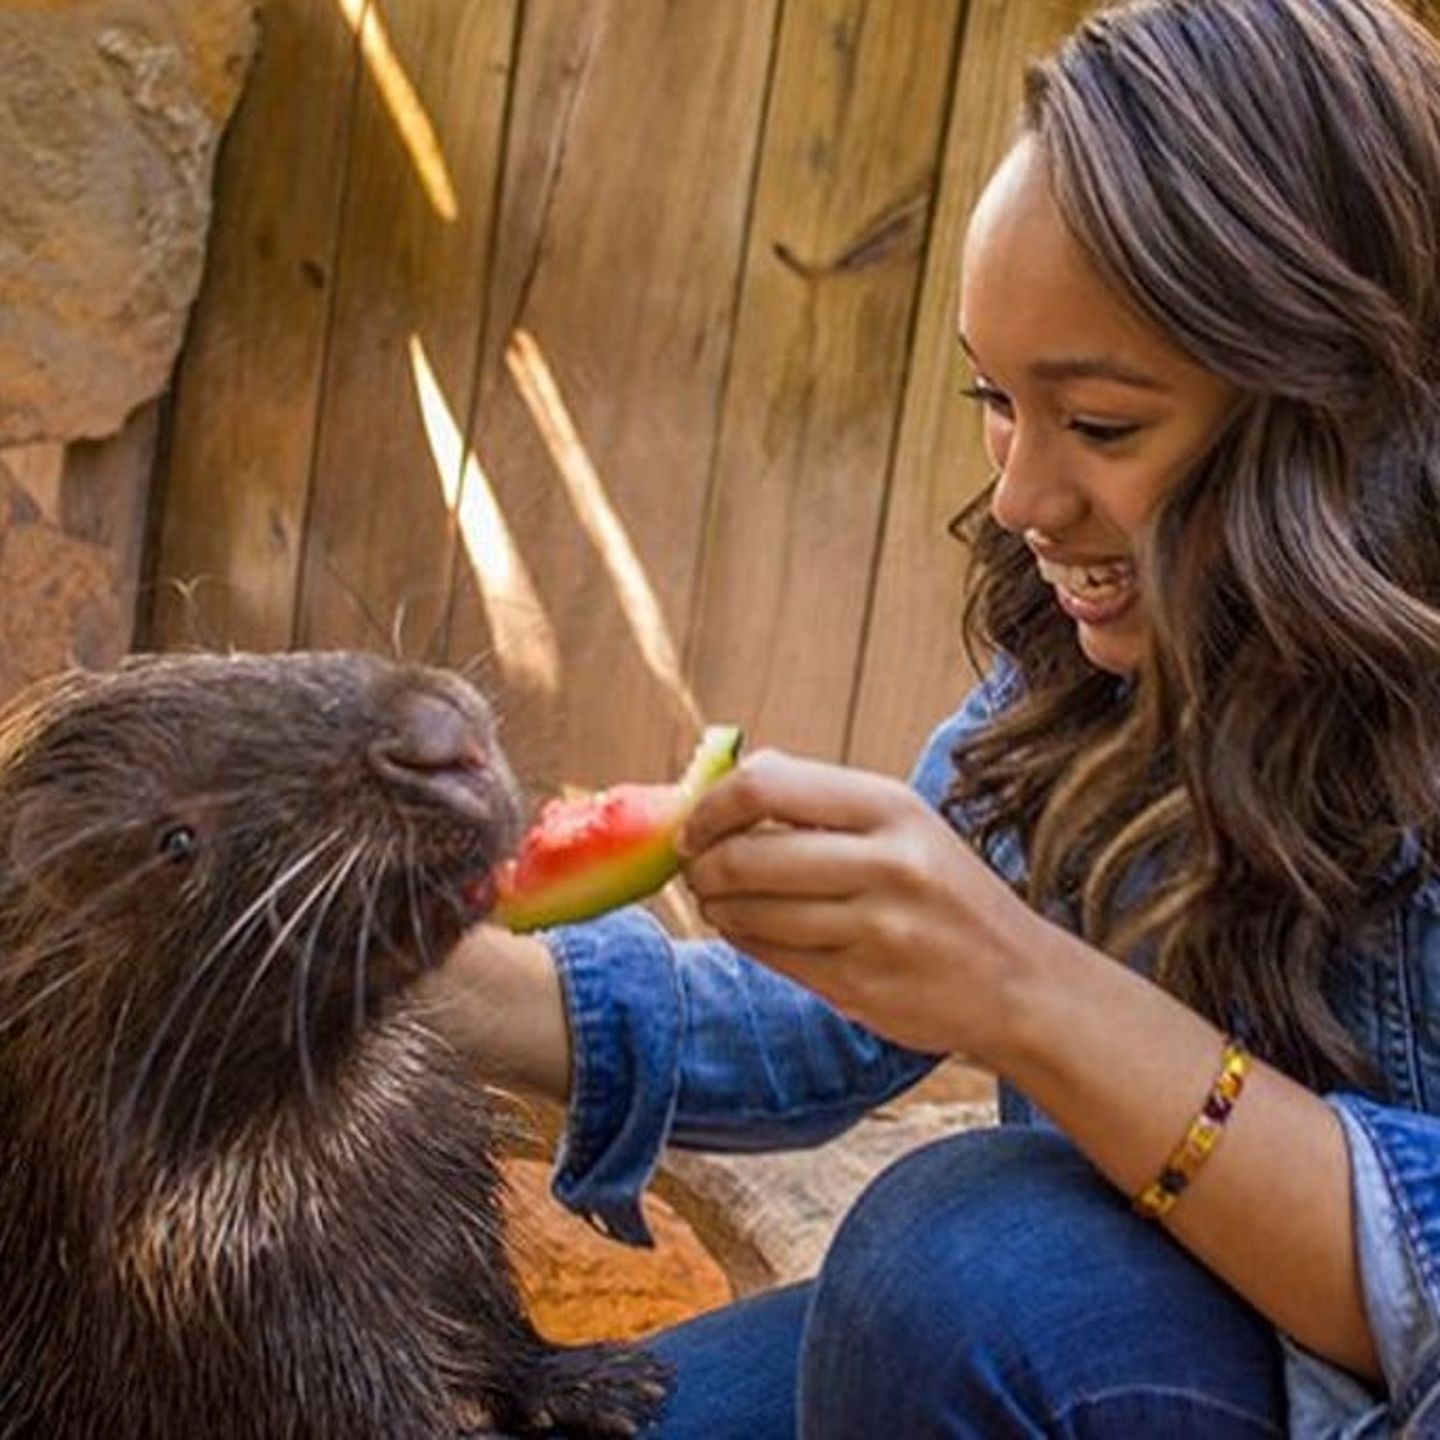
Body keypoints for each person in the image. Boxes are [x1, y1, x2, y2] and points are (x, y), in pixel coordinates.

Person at [424, 0, 1440, 1433]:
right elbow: (827, 1033)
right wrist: (416, 983)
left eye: (1099, 426)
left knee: (959, 1265)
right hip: (1121, 1322)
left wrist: (1025, 986)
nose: (1019, 499)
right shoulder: (1093, 678)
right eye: (992, 400)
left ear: (1341, 412)